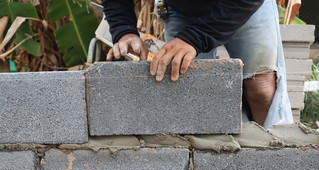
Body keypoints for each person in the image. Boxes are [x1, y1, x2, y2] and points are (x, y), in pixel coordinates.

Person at [102, 0, 294, 128]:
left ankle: (271, 163)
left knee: (261, 88)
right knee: (190, 92)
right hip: (182, 9)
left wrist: (194, 38)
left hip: (243, 5)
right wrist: (124, 31)